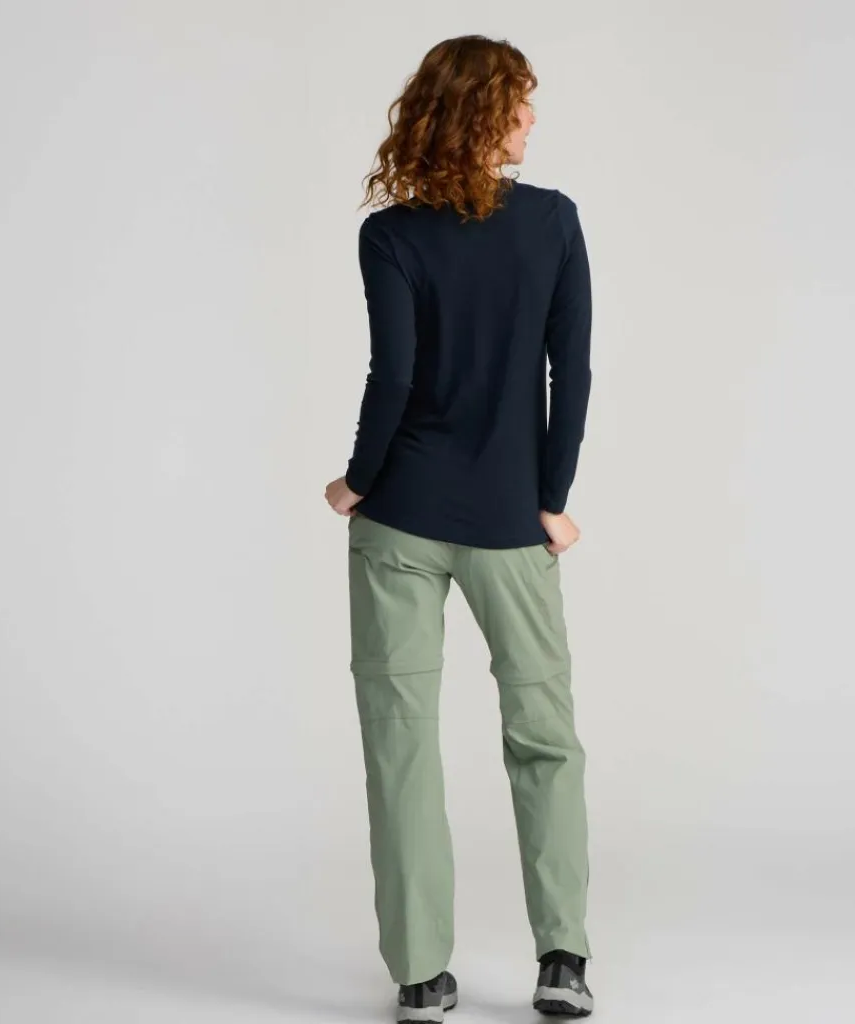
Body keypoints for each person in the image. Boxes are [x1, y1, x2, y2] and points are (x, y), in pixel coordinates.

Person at [324, 34, 594, 1023]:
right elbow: (572, 370)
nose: (530, 121)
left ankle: (420, 977)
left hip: (398, 519)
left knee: (400, 746)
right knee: (545, 738)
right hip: (509, 524)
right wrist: (549, 498)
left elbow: (392, 376)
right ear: (481, 114)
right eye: (518, 104)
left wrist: (358, 482)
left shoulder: (390, 235)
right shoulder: (553, 223)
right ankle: (562, 961)